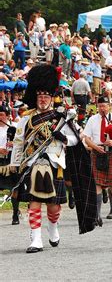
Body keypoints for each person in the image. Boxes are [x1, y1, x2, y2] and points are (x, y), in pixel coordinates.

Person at [9, 65, 82, 253]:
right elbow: (18, 142)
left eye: (46, 97)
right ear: (36, 97)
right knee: (33, 201)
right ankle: (36, 239)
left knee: (54, 207)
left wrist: (64, 138)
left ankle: (53, 226)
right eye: (40, 97)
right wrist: (15, 163)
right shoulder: (26, 118)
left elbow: (76, 138)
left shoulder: (61, 118)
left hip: (55, 162)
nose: (42, 100)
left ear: (52, 98)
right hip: (33, 162)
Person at [83, 96, 112, 225]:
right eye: (100, 106)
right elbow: (87, 138)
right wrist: (94, 146)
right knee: (96, 184)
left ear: (109, 106)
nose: (102, 108)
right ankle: (97, 216)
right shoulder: (92, 119)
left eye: (104, 106)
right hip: (96, 152)